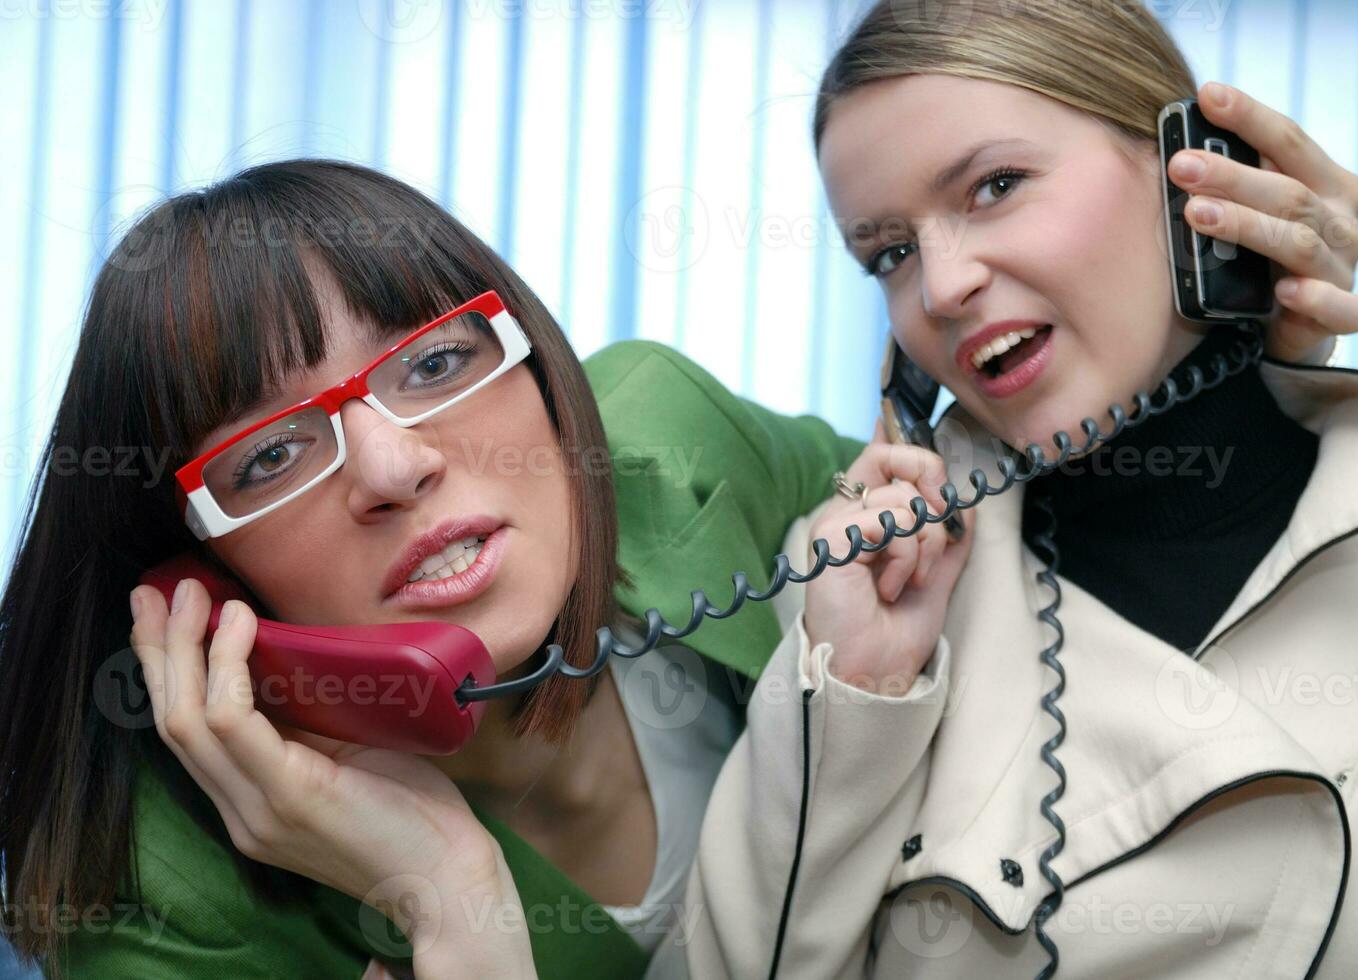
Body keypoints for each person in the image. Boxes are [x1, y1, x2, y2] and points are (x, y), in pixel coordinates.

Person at [680, 2, 1358, 977]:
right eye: (889, 251)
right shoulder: (855, 584)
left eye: (995, 185)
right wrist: (854, 707)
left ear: (1194, 169)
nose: (942, 286)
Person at [0, 159, 864, 978]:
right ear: (199, 579)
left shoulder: (675, 442)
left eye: (436, 363)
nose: (391, 468)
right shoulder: (159, 898)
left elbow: (946, 500)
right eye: (270, 456)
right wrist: (452, 904)